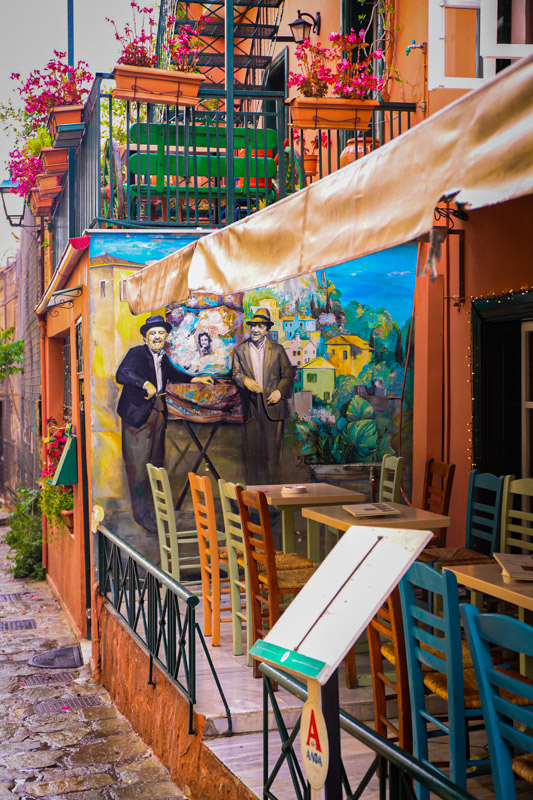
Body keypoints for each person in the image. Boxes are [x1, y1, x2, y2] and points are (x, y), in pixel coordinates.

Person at [116, 314, 211, 532]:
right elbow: (122, 374)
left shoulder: (163, 357)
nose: (157, 337)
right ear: (145, 337)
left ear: (166, 336)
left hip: (158, 414)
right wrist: (144, 383)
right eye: (153, 333)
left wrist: (195, 379)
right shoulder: (137, 354)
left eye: (161, 333)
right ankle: (141, 516)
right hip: (137, 418)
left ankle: (152, 512)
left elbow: (175, 374)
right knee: (138, 468)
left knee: (155, 465)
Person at [232, 308, 293, 484]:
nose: (255, 330)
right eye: (253, 326)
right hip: (251, 408)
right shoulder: (240, 350)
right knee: (253, 457)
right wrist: (245, 381)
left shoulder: (278, 350)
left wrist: (279, 392)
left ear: (267, 330)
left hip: (273, 408)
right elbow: (235, 374)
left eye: (260, 326)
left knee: (273, 458)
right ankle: (253, 502)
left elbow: (288, 375)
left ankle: (273, 505)